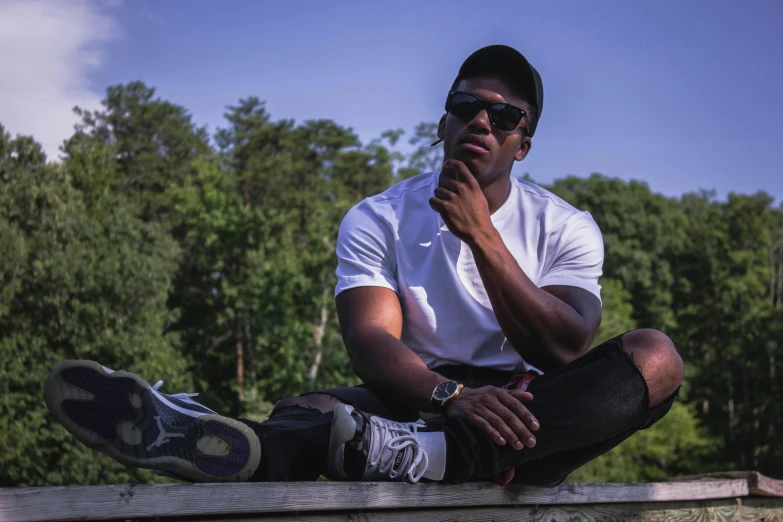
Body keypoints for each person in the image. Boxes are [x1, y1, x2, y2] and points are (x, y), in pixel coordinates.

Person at [44, 44, 684, 486]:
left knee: (655, 357)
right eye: (466, 106)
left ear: (524, 143)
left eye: (506, 115)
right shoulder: (378, 216)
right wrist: (452, 397)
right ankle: (214, 440)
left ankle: (435, 458)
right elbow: (371, 341)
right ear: (443, 123)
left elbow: (567, 350)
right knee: (312, 413)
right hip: (424, 400)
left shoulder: (566, 225)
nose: (482, 121)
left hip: (530, 417)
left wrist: (481, 236)